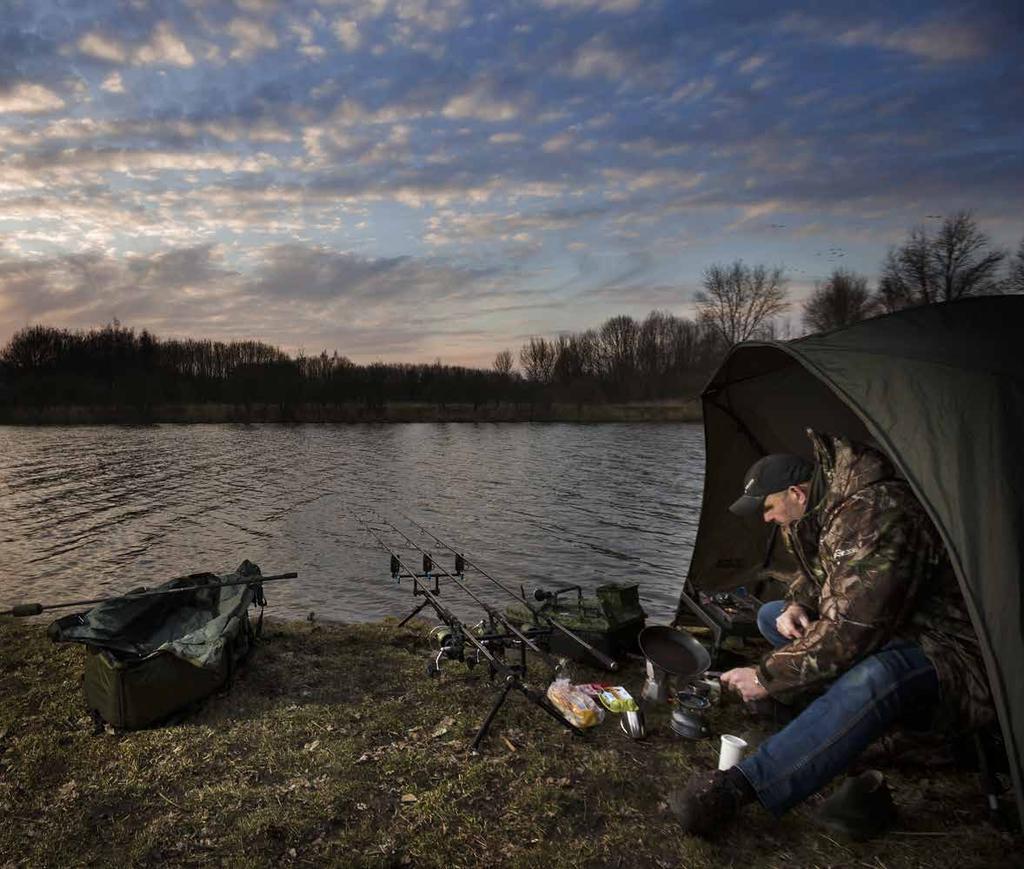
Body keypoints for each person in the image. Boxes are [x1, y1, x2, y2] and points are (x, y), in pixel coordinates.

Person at [670, 429, 994, 836]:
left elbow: (852, 632)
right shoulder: (823, 507)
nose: (766, 519)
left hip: (946, 648)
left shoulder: (876, 514)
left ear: (796, 493)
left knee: (877, 676)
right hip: (893, 627)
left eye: (768, 508)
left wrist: (766, 677)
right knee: (770, 615)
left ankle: (741, 787)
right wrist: (796, 605)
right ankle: (817, 707)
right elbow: (820, 577)